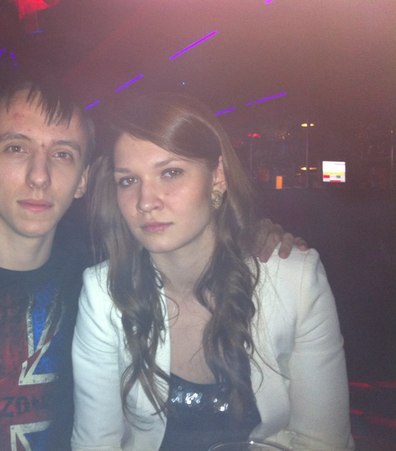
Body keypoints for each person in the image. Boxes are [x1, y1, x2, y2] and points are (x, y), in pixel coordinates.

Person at [0, 78, 299, 451]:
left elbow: (192, 250)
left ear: (83, 180)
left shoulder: (103, 281)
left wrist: (253, 237)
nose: (39, 176)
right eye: (16, 148)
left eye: (62, 154)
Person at [71, 93, 354, 450]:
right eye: (128, 181)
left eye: (170, 173)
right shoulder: (104, 294)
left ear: (217, 176)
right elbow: (97, 443)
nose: (146, 201)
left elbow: (322, 441)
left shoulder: (294, 282)